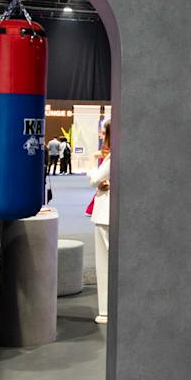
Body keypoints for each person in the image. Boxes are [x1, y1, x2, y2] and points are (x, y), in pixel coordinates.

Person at [87, 121, 112, 324]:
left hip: (105, 214)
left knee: (105, 264)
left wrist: (93, 161)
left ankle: (106, 310)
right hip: (110, 214)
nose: (101, 135)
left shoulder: (113, 156)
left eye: (104, 132)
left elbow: (94, 178)